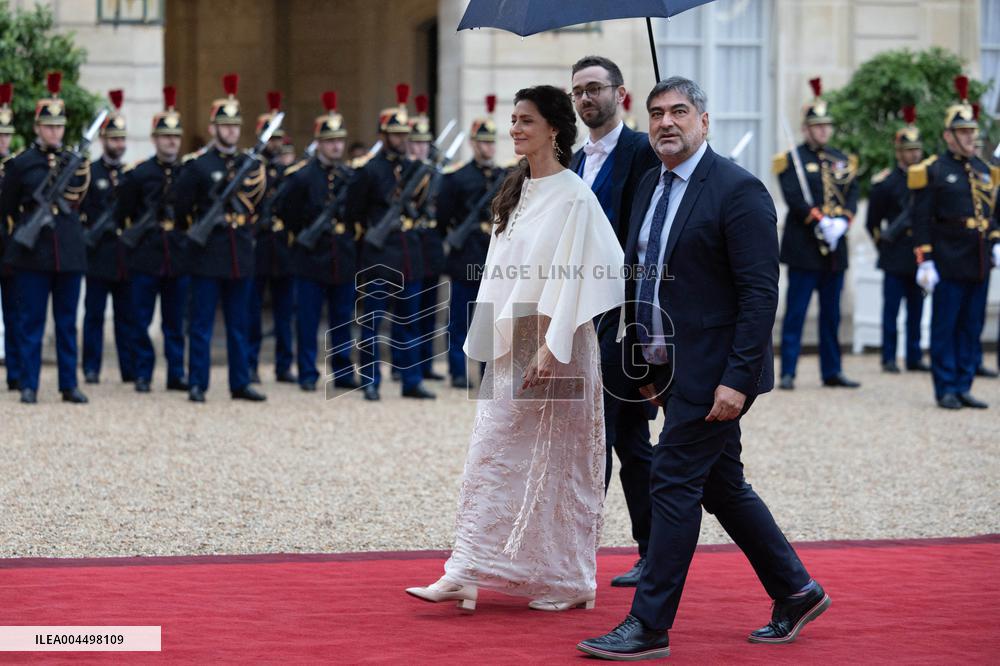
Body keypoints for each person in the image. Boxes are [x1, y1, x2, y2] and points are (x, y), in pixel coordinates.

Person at [578, 77, 828, 660]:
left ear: (705, 121)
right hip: (667, 371)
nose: (667, 122)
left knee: (670, 480)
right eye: (657, 113)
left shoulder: (739, 191)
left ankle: (649, 625)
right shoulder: (646, 184)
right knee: (722, 485)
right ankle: (797, 590)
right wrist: (642, 362)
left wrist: (739, 380)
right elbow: (641, 277)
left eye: (680, 112)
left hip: (718, 375)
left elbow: (760, 296)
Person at [405, 84, 625, 612]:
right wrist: (493, 335)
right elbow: (502, 273)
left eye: (526, 120)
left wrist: (552, 347)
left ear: (554, 127)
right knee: (494, 453)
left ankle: (571, 580)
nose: (515, 129)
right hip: (515, 336)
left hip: (556, 338)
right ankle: (469, 570)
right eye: (514, 120)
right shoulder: (516, 189)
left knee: (560, 460)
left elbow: (598, 270)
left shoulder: (575, 195)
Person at [568, 55, 659, 589]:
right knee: (608, 439)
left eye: (595, 88)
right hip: (581, 316)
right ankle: (581, 550)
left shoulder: (644, 152)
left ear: (620, 94)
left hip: (624, 319)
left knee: (620, 440)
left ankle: (635, 552)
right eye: (578, 90)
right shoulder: (576, 161)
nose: (586, 98)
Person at [174, 73, 266, 403]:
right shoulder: (198, 166)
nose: (230, 131)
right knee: (201, 324)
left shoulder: (248, 164)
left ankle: (239, 381)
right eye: (224, 126)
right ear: (213, 128)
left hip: (238, 249)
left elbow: (259, 205)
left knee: (239, 323)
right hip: (207, 250)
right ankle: (198, 382)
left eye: (235, 126)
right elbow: (181, 207)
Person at [0, 72, 91, 404]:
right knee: (30, 322)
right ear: (38, 127)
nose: (55, 131)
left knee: (67, 323)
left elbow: (87, 203)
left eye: (59, 126)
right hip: (32, 253)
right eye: (49, 126)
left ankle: (69, 384)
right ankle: (28, 383)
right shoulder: (22, 164)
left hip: (67, 252)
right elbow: (6, 206)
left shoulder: (76, 163)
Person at [910, 75, 999, 410]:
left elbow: (993, 213)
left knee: (972, 325)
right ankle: (945, 387)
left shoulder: (984, 169)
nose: (970, 137)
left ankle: (964, 384)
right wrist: (925, 259)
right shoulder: (932, 169)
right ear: (948, 135)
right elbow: (920, 218)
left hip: (978, 258)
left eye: (972, 131)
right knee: (946, 326)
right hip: (947, 258)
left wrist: (995, 240)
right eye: (963, 132)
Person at [343, 83, 435, 401]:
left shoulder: (415, 169)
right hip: (380, 257)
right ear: (383, 135)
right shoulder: (369, 170)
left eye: (403, 134)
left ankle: (411, 379)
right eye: (394, 134)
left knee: (410, 320)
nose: (401, 139)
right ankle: (370, 379)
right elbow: (353, 210)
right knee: (373, 323)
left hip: (409, 255)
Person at [775, 78, 860, 390]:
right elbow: (793, 196)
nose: (823, 131)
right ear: (806, 128)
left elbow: (852, 193)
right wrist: (818, 220)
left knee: (831, 315)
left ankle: (832, 370)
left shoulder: (843, 160)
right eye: (817, 126)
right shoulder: (792, 160)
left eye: (827, 126)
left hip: (835, 249)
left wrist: (842, 222)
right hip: (804, 248)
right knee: (796, 313)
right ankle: (788, 371)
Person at [277, 91, 359, 392]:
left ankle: (342, 371)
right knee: (308, 320)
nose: (336, 145)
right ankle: (307, 372)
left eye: (339, 140)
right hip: (311, 258)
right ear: (319, 143)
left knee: (341, 318)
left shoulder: (350, 176)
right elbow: (284, 210)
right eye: (330, 141)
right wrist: (302, 235)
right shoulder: (301, 177)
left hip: (342, 255)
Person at [116, 86, 190, 394]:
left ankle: (176, 373)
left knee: (175, 322)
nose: (171, 141)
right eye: (165, 136)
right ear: (154, 139)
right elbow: (122, 214)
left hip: (177, 254)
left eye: (175, 136)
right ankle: (143, 373)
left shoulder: (189, 172)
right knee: (140, 320)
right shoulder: (138, 174)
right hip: (146, 254)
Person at [437, 95, 504, 389]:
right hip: (466, 256)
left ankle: (486, 371)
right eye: (483, 142)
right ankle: (457, 372)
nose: (489, 147)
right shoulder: (457, 178)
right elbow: (443, 218)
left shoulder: (506, 176)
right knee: (460, 320)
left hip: (495, 257)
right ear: (474, 144)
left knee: (489, 322)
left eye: (492, 142)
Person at [865, 106, 928, 374]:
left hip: (920, 254)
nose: (914, 154)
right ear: (899, 152)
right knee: (891, 311)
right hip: (894, 255)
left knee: (917, 310)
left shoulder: (928, 179)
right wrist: (884, 245)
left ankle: (914, 356)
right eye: (909, 150)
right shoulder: (886, 182)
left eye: (917, 149)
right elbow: (872, 222)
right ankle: (889, 357)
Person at [81, 89, 136, 385]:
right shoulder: (90, 173)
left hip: (124, 255)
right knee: (94, 316)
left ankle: (128, 368)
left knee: (126, 316)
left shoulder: (131, 175)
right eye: (114, 139)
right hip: (98, 254)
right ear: (103, 141)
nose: (119, 144)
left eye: (122, 139)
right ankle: (91, 367)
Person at [248, 91, 296, 385]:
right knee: (252, 311)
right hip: (258, 246)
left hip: (284, 247)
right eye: (270, 138)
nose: (275, 143)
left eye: (278, 138)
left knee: (284, 312)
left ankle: (283, 365)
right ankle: (250, 364)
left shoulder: (289, 173)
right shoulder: (250, 170)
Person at [407, 94, 447, 383]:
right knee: (407, 310)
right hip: (407, 247)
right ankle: (405, 365)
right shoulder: (404, 172)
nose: (420, 148)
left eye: (423, 143)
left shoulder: (437, 173)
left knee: (429, 309)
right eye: (415, 143)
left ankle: (424, 363)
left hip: (430, 246)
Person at [0, 81, 23, 392]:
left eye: (6, 134)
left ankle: (16, 371)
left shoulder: (19, 166)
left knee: (17, 314)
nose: (3, 140)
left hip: (11, 246)